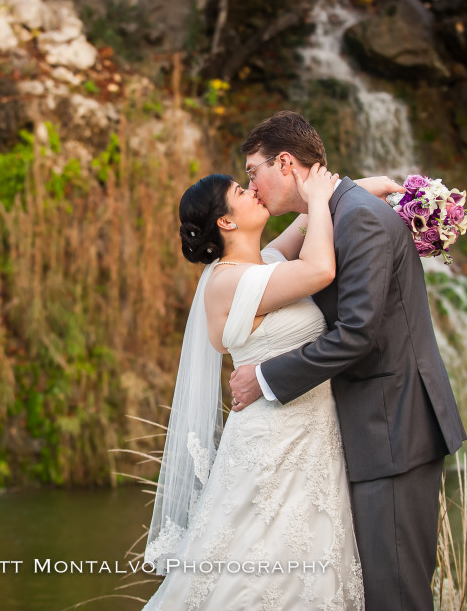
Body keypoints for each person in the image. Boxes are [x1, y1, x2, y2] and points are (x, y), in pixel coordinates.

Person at [229, 111, 467, 611]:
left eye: (254, 170)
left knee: (396, 594)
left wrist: (266, 378)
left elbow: (357, 332)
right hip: (378, 428)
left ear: (287, 163)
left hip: (394, 427)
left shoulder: (356, 217)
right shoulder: (340, 211)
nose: (252, 184)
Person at [143, 162, 399, 610]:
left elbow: (303, 225)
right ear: (225, 221)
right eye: (241, 190)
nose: (253, 191)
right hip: (273, 443)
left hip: (313, 439)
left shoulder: (265, 265)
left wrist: (350, 188)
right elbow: (319, 268)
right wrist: (320, 199)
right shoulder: (228, 281)